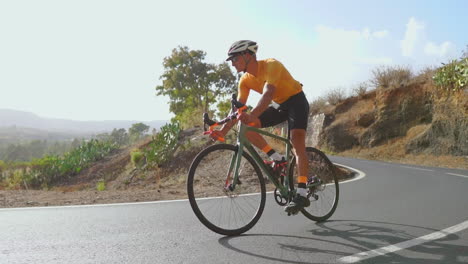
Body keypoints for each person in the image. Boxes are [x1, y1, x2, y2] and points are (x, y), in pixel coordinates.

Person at [210, 40, 311, 214]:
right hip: (279, 105)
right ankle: (277, 157)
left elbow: (268, 93)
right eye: (231, 60)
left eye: (235, 58)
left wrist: (253, 115)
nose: (232, 63)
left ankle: (302, 191)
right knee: (246, 125)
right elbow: (237, 108)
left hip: (296, 101)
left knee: (296, 142)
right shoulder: (245, 80)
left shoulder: (271, 65)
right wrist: (223, 131)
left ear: (248, 55)